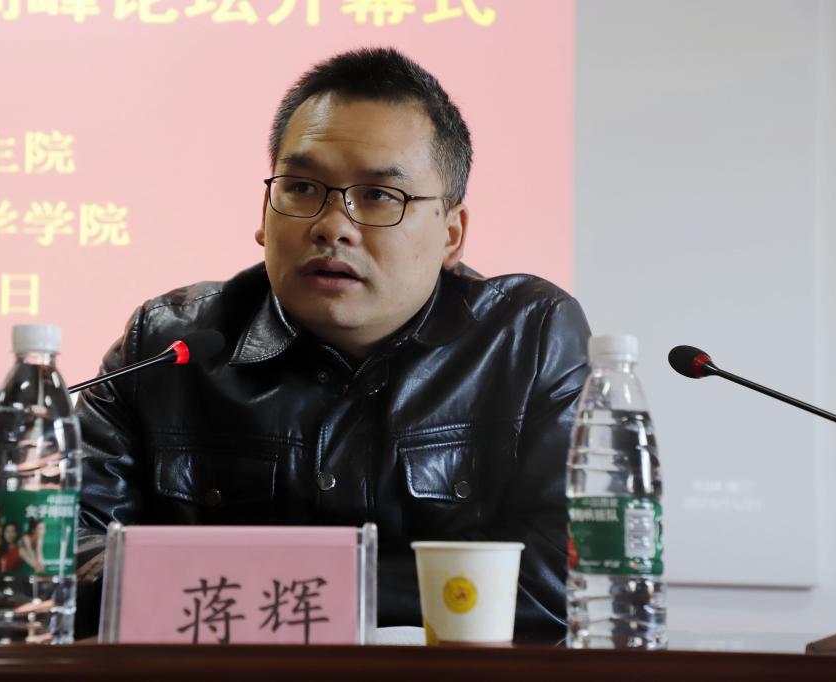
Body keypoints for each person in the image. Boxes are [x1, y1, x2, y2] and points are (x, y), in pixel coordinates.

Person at [74, 47, 590, 638]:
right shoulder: (168, 347)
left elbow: (563, 580)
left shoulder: (526, 341)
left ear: (452, 234)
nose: (332, 225)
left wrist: (277, 592)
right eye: (301, 187)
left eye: (379, 196)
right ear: (265, 213)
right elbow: (62, 553)